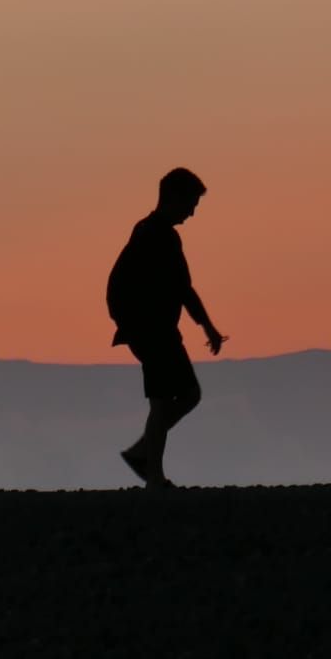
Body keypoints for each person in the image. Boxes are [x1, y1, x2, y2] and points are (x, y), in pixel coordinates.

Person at [107, 167, 228, 489]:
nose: (192, 212)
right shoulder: (156, 234)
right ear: (174, 198)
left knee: (188, 394)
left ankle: (142, 453)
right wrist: (209, 328)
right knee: (162, 401)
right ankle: (153, 475)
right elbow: (184, 289)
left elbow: (178, 287)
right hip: (151, 330)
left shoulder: (149, 231)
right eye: (191, 204)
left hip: (155, 329)